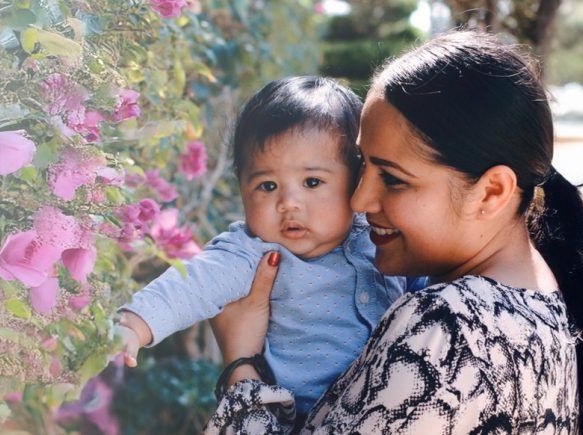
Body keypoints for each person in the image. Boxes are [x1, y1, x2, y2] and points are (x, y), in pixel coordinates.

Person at [205, 31, 583, 434]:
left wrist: (242, 364)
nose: (359, 200)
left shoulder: (448, 326)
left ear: (492, 191)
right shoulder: (537, 299)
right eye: (362, 166)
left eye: (393, 179)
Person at [115, 76, 426, 415]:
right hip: (302, 417)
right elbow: (191, 283)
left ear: (356, 179)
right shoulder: (251, 253)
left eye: (312, 182)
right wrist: (135, 324)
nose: (288, 202)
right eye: (266, 185)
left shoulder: (377, 234)